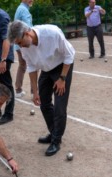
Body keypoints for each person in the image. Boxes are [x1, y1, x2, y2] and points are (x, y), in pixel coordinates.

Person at [7, 20, 75, 156]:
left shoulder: (52, 33)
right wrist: (35, 91)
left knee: (60, 107)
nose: (20, 46)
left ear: (27, 33)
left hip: (61, 67)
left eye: (20, 42)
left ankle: (56, 141)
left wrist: (62, 79)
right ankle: (54, 132)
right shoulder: (24, 46)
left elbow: (69, 55)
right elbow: (31, 66)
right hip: (45, 69)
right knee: (43, 103)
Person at [14, 0, 34, 98]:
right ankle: (34, 91)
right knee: (32, 65)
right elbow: (28, 28)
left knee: (22, 66)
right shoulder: (23, 10)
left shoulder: (20, 8)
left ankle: (18, 90)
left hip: (18, 44)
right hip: (23, 43)